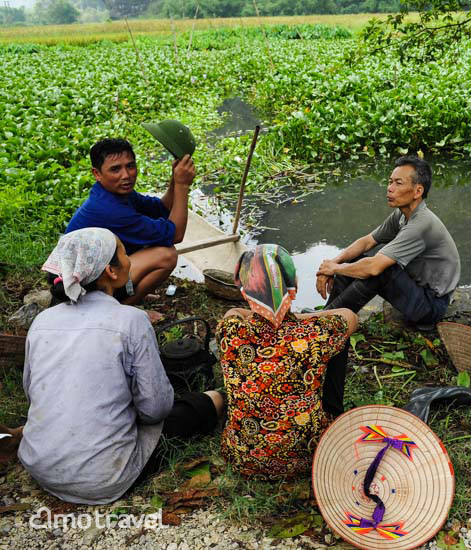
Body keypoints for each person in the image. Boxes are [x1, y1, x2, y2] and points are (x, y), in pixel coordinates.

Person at [8, 228, 223, 504]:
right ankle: (220, 399)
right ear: (111, 271)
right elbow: (156, 409)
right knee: (200, 406)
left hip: (39, 466)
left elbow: (33, 393)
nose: (130, 260)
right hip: (102, 478)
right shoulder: (130, 320)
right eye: (124, 253)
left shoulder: (43, 321)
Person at [217, 244, 358, 479]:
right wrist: (302, 318)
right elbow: (350, 316)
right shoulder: (315, 334)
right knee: (338, 342)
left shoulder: (230, 331)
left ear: (243, 290)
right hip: (309, 458)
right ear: (294, 288)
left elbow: (233, 311)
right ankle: (333, 414)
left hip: (243, 459)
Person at [316, 156, 460, 328]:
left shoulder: (421, 224)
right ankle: (329, 314)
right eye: (390, 182)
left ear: (417, 191)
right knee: (354, 259)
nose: (390, 189)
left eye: (398, 183)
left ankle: (326, 321)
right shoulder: (402, 215)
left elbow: (374, 267)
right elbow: (367, 241)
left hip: (431, 306)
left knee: (380, 270)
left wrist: (336, 269)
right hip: (418, 290)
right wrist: (333, 263)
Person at [66, 138, 195, 305]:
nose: (126, 176)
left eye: (130, 166)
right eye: (115, 169)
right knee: (166, 255)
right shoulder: (109, 209)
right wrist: (182, 185)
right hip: (80, 288)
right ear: (97, 174)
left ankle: (125, 293)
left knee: (152, 242)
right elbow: (176, 234)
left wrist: (174, 179)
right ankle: (121, 309)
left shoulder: (113, 192)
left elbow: (161, 208)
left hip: (96, 272)